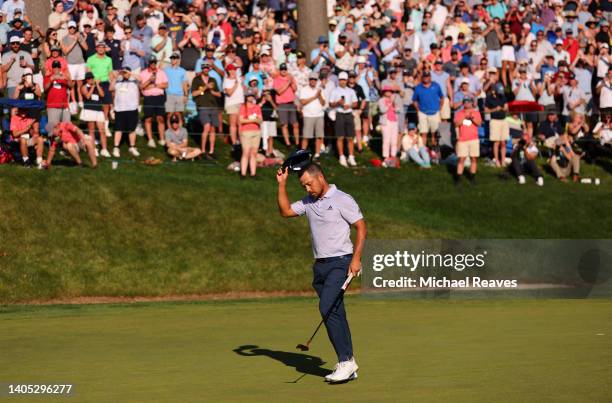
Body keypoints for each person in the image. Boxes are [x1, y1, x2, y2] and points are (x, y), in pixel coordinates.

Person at [276, 162, 366, 384]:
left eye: (308, 184)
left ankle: (345, 361)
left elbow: (361, 227)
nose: (307, 189)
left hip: (341, 262)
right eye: (304, 186)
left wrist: (356, 259)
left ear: (320, 178)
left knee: (327, 307)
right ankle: (349, 363)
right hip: (321, 266)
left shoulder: (342, 199)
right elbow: (286, 211)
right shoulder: (309, 202)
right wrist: (282, 184)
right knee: (335, 311)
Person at [191, 61, 222, 158]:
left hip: (213, 106)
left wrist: (212, 91)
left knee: (213, 129)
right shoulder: (196, 79)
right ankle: (203, 150)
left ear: (209, 69)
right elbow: (193, 94)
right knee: (206, 127)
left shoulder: (213, 79)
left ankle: (212, 151)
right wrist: (205, 87)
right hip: (203, 106)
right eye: (204, 67)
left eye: (207, 67)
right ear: (201, 68)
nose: (205, 69)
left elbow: (219, 94)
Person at [329, 71, 358, 167]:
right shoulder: (334, 91)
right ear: (338, 80)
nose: (343, 82)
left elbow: (355, 103)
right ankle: (341, 156)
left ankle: (351, 156)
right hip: (339, 114)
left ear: (347, 80)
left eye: (344, 80)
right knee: (340, 137)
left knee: (350, 137)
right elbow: (330, 104)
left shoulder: (351, 91)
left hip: (349, 114)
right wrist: (338, 103)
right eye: (341, 80)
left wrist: (348, 105)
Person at [110, 66, 140, 158]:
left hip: (132, 109)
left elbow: (141, 79)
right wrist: (116, 77)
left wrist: (129, 73)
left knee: (132, 129)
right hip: (120, 109)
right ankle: (116, 147)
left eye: (126, 72)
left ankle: (132, 146)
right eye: (124, 72)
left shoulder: (134, 81)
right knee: (119, 129)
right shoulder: (118, 82)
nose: (125, 74)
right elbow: (111, 88)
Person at [139, 56, 169, 148]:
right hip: (149, 98)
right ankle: (150, 139)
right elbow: (141, 87)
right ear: (149, 63)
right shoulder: (143, 73)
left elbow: (166, 85)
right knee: (148, 119)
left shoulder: (161, 72)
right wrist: (149, 81)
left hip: (159, 98)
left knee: (160, 118)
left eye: (154, 62)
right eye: (151, 62)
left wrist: (154, 85)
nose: (153, 64)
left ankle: (162, 139)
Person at [454, 97, 482, 185]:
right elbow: (456, 124)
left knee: (473, 159)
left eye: (468, 102)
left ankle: (472, 177)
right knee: (461, 159)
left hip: (474, 139)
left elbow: (479, 123)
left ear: (472, 103)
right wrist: (464, 118)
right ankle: (458, 178)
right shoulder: (459, 113)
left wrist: (472, 118)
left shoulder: (476, 113)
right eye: (465, 102)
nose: (467, 103)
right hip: (462, 139)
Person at [79, 72, 108, 157]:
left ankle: (104, 149)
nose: (91, 80)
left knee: (102, 130)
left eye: (92, 78)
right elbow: (87, 96)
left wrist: (97, 86)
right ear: (86, 80)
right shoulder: (83, 87)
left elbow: (102, 95)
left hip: (99, 110)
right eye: (89, 78)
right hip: (89, 110)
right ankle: (94, 149)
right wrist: (93, 87)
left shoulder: (97, 86)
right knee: (91, 131)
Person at [412, 70, 443, 148]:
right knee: (423, 132)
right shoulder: (418, 87)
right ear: (422, 78)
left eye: (427, 76)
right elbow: (414, 100)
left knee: (434, 132)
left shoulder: (436, 86)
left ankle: (434, 148)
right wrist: (418, 110)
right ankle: (423, 149)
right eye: (424, 77)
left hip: (434, 112)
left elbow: (442, 97)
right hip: (423, 112)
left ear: (430, 77)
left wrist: (440, 108)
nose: (426, 78)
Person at [298, 72, 326, 155]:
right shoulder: (304, 89)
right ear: (309, 80)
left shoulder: (320, 89)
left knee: (319, 136)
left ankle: (317, 154)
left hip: (319, 115)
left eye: (315, 79)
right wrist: (315, 97)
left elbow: (323, 103)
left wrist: (319, 95)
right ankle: (302, 154)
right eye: (311, 79)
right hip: (308, 116)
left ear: (317, 80)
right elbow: (303, 102)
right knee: (306, 136)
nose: (313, 81)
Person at [238, 90, 263, 179]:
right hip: (246, 132)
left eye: (252, 95)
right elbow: (241, 120)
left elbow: (260, 120)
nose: (250, 97)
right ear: (246, 97)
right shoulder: (242, 107)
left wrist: (250, 120)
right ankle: (243, 173)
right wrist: (253, 120)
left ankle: (253, 173)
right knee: (246, 152)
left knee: (254, 153)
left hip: (256, 132)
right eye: (249, 96)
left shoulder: (257, 107)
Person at [273, 62, 299, 147]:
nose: (284, 71)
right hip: (282, 104)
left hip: (291, 103)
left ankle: (297, 142)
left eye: (285, 69)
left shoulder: (291, 78)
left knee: (295, 124)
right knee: (284, 125)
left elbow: (295, 89)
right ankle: (288, 143)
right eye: (282, 69)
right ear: (280, 70)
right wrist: (288, 82)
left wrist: (291, 82)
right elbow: (279, 91)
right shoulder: (276, 79)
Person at [484, 81, 509, 168]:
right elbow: (486, 110)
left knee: (503, 142)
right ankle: (497, 160)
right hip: (494, 121)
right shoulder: (489, 98)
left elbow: (506, 108)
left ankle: (503, 160)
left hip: (503, 120)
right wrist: (494, 109)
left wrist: (502, 108)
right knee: (496, 142)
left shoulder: (503, 97)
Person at [164, 52, 189, 128]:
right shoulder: (166, 70)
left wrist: (186, 95)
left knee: (179, 114)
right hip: (169, 94)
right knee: (169, 115)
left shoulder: (182, 71)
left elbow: (184, 83)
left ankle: (180, 132)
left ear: (178, 60)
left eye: (174, 58)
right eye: (171, 58)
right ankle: (169, 132)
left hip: (179, 95)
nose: (173, 60)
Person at [378, 86, 401, 164]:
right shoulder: (381, 100)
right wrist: (389, 104)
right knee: (386, 140)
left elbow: (399, 110)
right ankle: (386, 157)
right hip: (386, 122)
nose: (389, 92)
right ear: (384, 92)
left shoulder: (394, 100)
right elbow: (382, 110)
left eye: (390, 91)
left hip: (394, 121)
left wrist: (395, 106)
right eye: (387, 91)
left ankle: (393, 156)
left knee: (394, 140)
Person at [223, 64, 245, 145]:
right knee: (233, 124)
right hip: (232, 104)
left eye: (235, 69)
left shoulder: (239, 79)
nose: (233, 71)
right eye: (232, 69)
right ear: (228, 71)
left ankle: (241, 142)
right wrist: (235, 84)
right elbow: (229, 93)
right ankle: (234, 142)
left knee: (240, 123)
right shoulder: (226, 80)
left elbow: (244, 89)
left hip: (240, 103)